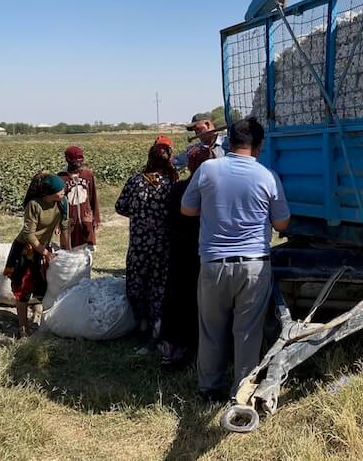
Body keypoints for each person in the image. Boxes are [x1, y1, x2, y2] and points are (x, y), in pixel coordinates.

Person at [181, 117, 290, 401]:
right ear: (259, 146)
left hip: (213, 263)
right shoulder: (268, 176)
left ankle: (209, 389)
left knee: (211, 329)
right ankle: (241, 392)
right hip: (254, 265)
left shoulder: (207, 169)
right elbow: (281, 224)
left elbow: (187, 210)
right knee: (247, 332)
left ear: (229, 142)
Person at [115, 137, 177, 339]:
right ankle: (157, 326)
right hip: (162, 245)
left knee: (137, 283)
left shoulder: (135, 181)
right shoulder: (170, 185)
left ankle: (141, 325)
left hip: (139, 245)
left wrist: (140, 216)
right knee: (159, 285)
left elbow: (120, 207)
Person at [158, 144, 213, 367]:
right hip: (201, 252)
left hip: (180, 251)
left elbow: (169, 221)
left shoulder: (177, 188)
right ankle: (199, 348)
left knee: (177, 298)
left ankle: (173, 350)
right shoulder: (210, 190)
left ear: (190, 166)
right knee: (201, 301)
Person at [4, 173, 70, 338]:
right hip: (25, 250)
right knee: (23, 289)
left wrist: (67, 252)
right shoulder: (34, 205)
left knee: (43, 285)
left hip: (43, 249)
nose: (63, 191)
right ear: (46, 193)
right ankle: (23, 327)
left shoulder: (62, 202)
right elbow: (29, 235)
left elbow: (64, 228)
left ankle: (41, 316)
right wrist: (45, 252)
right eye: (59, 190)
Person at [58, 146, 100, 250]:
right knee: (70, 249)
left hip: (86, 217)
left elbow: (93, 197)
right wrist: (57, 224)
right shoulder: (61, 177)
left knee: (87, 248)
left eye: (80, 161)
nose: (78, 165)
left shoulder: (88, 174)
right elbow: (57, 203)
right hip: (69, 220)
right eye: (74, 162)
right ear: (68, 161)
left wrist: (96, 217)